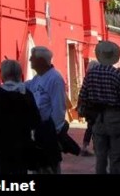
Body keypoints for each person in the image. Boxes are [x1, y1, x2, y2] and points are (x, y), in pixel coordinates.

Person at [77, 41, 120, 175]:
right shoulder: (117, 75)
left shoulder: (90, 74)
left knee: (100, 158)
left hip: (97, 119)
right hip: (115, 119)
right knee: (116, 157)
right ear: (113, 57)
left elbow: (82, 95)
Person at [0, 59, 41, 174]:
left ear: (3, 75)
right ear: (19, 74)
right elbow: (36, 120)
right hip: (22, 146)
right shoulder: (26, 94)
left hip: (0, 148)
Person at [25, 46, 67, 174]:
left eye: (33, 57)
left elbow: (59, 108)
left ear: (42, 61)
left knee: (49, 168)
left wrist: (53, 132)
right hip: (39, 130)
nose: (30, 59)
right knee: (40, 168)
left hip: (49, 131)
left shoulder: (55, 78)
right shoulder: (38, 78)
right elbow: (27, 86)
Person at [77, 60, 99, 156]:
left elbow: (82, 94)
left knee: (90, 127)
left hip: (89, 108)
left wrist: (79, 106)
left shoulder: (87, 78)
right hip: (98, 107)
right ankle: (96, 147)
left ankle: (85, 147)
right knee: (97, 127)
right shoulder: (99, 78)